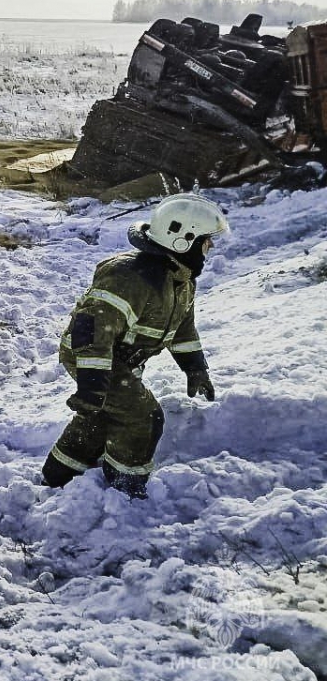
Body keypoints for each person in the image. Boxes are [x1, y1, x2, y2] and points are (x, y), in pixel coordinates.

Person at [42, 193, 230, 498]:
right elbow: (91, 332)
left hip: (119, 360)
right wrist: (92, 387)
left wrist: (195, 369)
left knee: (106, 413)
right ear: (184, 240)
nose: (210, 247)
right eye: (206, 240)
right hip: (90, 356)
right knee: (143, 416)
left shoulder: (181, 281)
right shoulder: (128, 277)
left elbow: (182, 329)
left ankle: (60, 473)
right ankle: (125, 488)